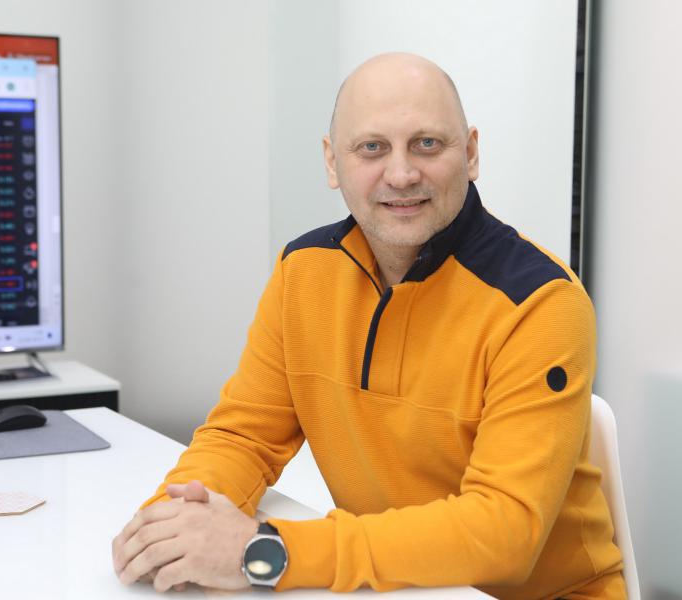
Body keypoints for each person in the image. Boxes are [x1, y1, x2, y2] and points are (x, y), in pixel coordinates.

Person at [112, 52, 626, 599]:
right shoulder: (303, 272)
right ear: (333, 163)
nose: (401, 174)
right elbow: (244, 437)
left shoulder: (539, 302)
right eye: (372, 148)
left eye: (427, 143)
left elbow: (504, 532)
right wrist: (171, 525)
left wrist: (265, 551)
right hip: (399, 588)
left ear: (471, 153)